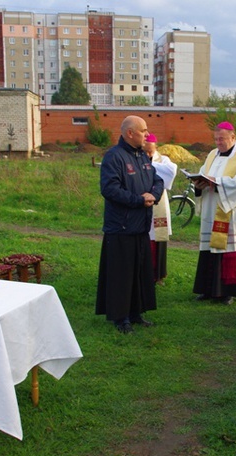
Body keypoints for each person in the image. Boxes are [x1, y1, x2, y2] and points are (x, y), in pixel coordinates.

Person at [95, 116, 164, 334]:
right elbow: (109, 189)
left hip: (141, 226)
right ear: (129, 133)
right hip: (121, 228)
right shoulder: (114, 157)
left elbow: (157, 180)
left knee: (138, 273)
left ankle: (136, 313)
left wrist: (153, 195)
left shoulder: (142, 156)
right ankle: (120, 317)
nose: (147, 134)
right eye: (143, 130)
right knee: (121, 275)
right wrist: (139, 200)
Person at [192, 121, 236, 305]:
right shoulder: (212, 154)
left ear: (233, 137)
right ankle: (207, 289)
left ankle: (226, 292)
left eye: (222, 139)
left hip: (230, 209)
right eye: (216, 139)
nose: (218, 142)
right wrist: (199, 184)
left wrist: (216, 180)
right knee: (209, 249)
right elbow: (203, 173)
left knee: (228, 250)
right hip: (212, 206)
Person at [143, 134, 178, 285]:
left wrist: (148, 164)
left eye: (151, 151)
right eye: (146, 151)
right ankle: (142, 273)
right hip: (141, 202)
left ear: (156, 147)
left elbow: (171, 171)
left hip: (158, 204)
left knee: (158, 237)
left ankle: (158, 275)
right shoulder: (136, 158)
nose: (149, 154)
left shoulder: (163, 160)